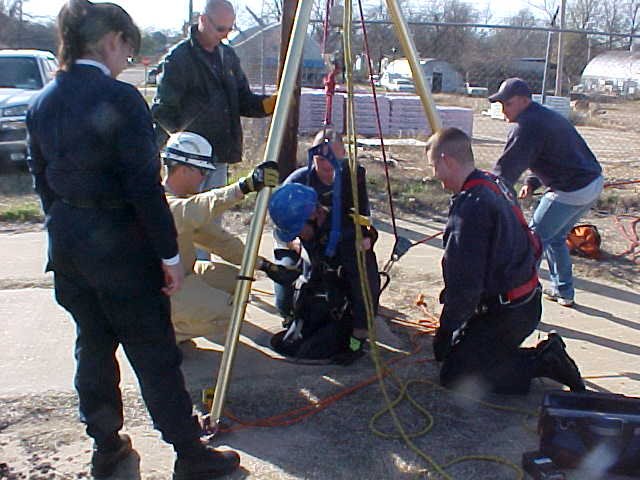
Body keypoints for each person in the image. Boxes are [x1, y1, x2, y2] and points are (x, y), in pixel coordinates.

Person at [26, 1, 239, 478]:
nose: (127, 59)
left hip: (70, 247)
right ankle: (189, 452)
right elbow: (145, 188)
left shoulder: (42, 102)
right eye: (127, 48)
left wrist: (65, 230)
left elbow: (42, 182)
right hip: (121, 247)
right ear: (111, 40)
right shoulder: (120, 100)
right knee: (154, 353)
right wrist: (169, 254)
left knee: (93, 347)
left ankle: (105, 444)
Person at [426, 127, 585, 395]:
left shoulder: (471, 208)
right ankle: (508, 351)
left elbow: (465, 285)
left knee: (455, 374)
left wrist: (445, 331)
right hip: (523, 302)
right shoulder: (492, 183)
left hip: (508, 313)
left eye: (434, 167)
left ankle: (542, 361)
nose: (434, 175)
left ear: (447, 161)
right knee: (467, 351)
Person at [489, 78, 603, 307]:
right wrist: (531, 183)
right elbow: (551, 154)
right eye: (500, 103)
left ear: (524, 101)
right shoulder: (543, 116)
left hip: (572, 189)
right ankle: (564, 291)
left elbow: (505, 172)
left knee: (531, 241)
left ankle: (519, 299)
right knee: (556, 238)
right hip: (592, 183)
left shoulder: (526, 126)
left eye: (508, 103)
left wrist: (488, 195)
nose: (503, 110)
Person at [161, 131, 283, 342]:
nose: (204, 177)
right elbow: (195, 208)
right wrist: (245, 186)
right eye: (201, 171)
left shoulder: (183, 204)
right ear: (183, 169)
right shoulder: (162, 204)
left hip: (185, 273)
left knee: (240, 284)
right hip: (162, 287)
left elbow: (220, 242)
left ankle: (177, 322)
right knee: (230, 312)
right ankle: (165, 333)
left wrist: (266, 266)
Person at [272, 130, 380, 350]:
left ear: (342, 156)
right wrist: (297, 244)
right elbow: (280, 224)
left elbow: (363, 219)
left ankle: (359, 329)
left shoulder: (351, 180)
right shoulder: (299, 181)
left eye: (333, 159)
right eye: (320, 159)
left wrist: (366, 238)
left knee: (358, 269)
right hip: (297, 245)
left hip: (332, 242)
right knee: (287, 290)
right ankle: (293, 317)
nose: (326, 165)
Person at [151, 0, 276, 190]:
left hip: (218, 156)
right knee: (185, 216)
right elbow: (162, 110)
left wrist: (269, 104)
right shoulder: (179, 58)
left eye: (229, 29)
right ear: (203, 20)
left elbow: (242, 99)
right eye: (220, 28)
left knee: (212, 214)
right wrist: (183, 146)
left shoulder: (228, 56)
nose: (225, 35)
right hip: (188, 163)